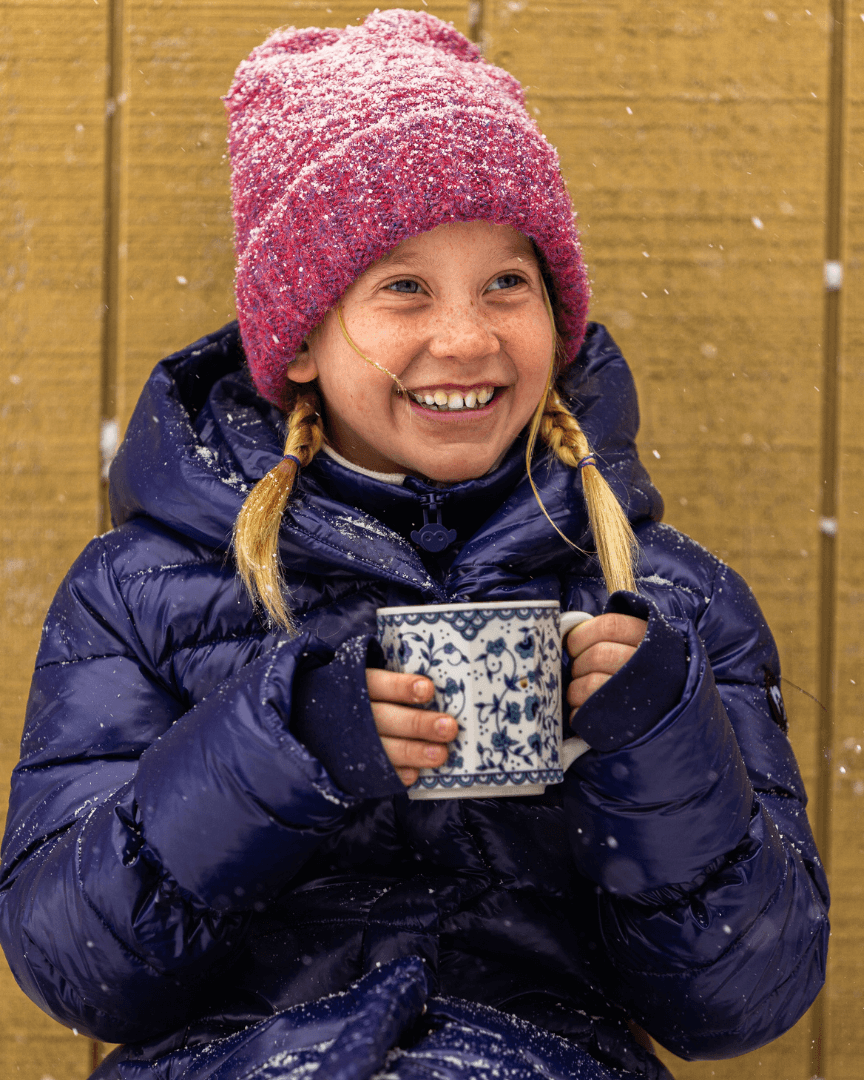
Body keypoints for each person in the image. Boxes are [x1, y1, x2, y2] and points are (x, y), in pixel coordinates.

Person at [0, 10, 828, 1080]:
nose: (469, 337)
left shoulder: (664, 598)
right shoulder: (141, 593)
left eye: (506, 284)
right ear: (299, 337)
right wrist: (286, 753)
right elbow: (78, 966)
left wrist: (661, 746)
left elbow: (742, 998)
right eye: (403, 288)